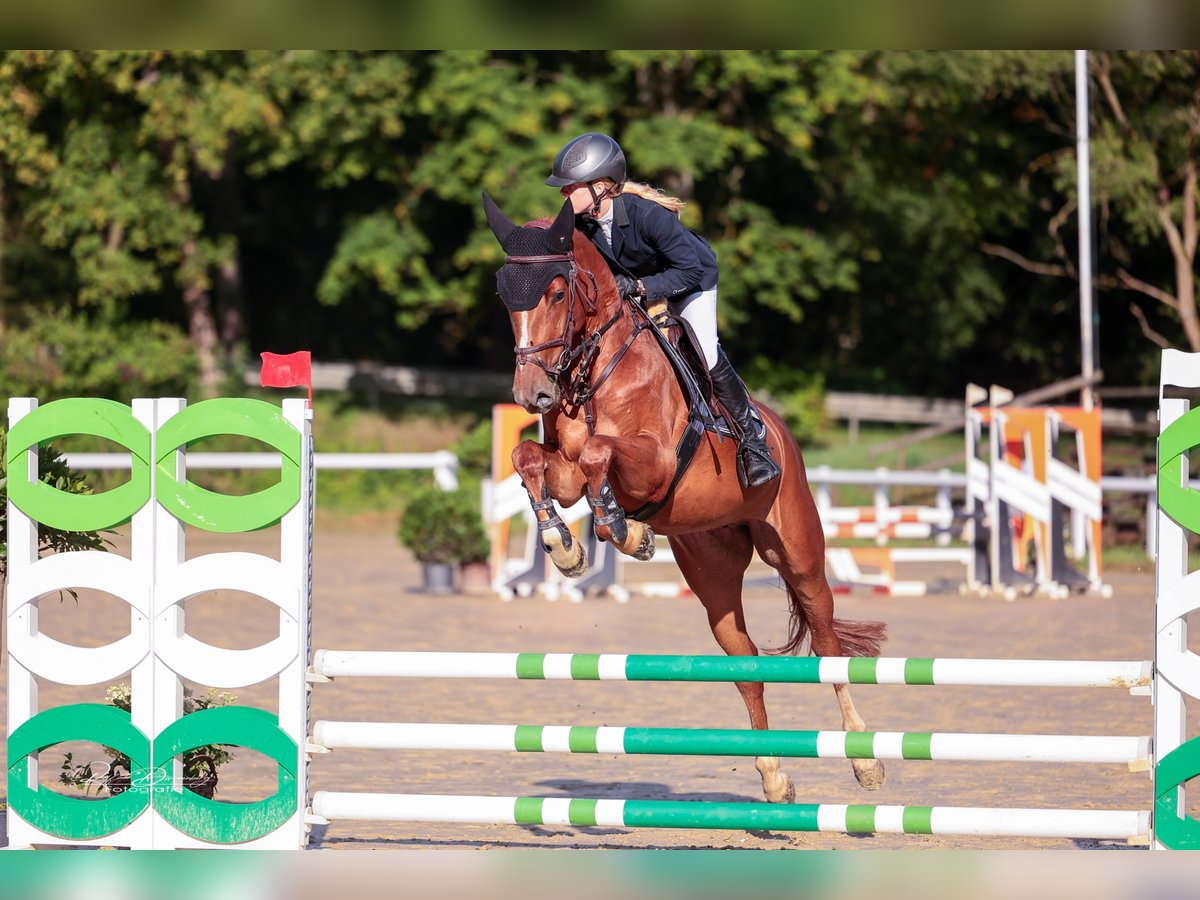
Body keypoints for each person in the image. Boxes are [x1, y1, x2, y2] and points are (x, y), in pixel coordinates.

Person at [545, 131, 781, 489]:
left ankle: (753, 441)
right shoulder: (583, 225)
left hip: (690, 280)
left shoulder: (648, 216)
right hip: (638, 288)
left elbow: (689, 270)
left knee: (704, 351)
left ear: (600, 186)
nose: (563, 193)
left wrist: (640, 288)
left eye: (570, 186)